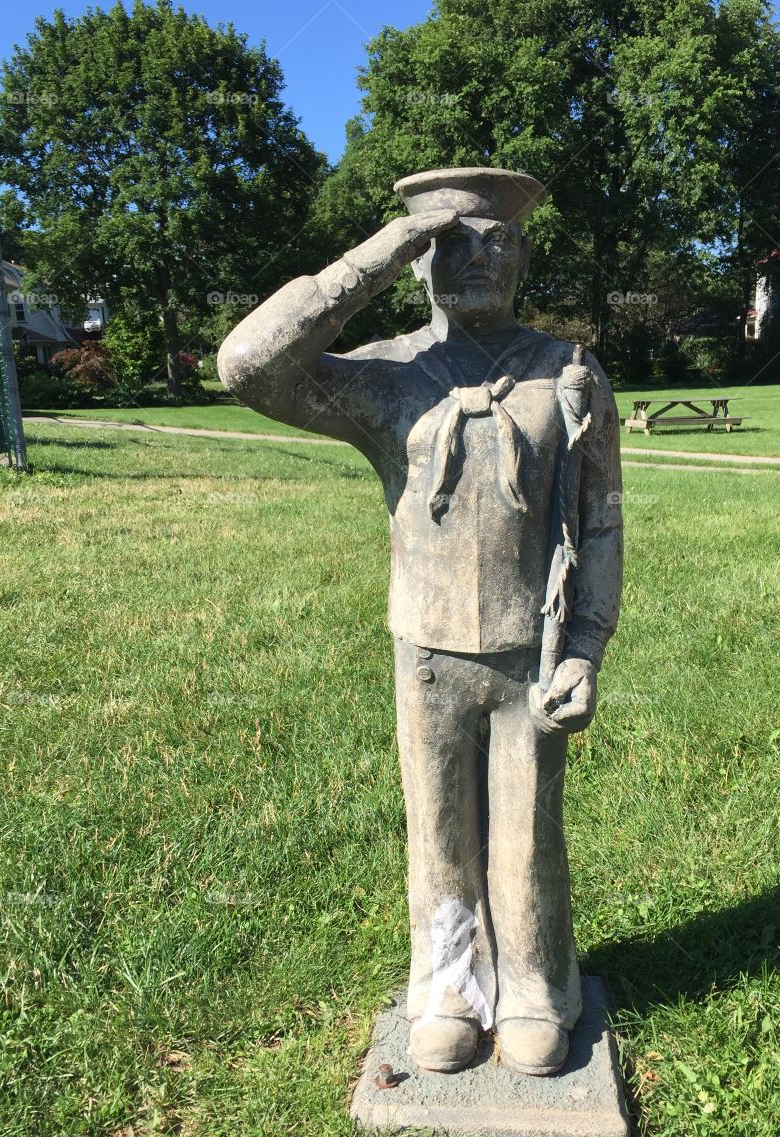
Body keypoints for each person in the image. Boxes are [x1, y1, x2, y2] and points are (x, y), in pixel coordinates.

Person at [218, 168, 623, 1075]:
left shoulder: (567, 373)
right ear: (419, 261)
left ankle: (533, 989)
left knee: (527, 836)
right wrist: (377, 253)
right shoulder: (391, 378)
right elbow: (248, 365)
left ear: (524, 257)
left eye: (500, 241)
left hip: (534, 652)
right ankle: (446, 987)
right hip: (429, 655)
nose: (479, 258)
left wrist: (587, 648)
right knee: (437, 831)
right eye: (453, 243)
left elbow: (600, 523)